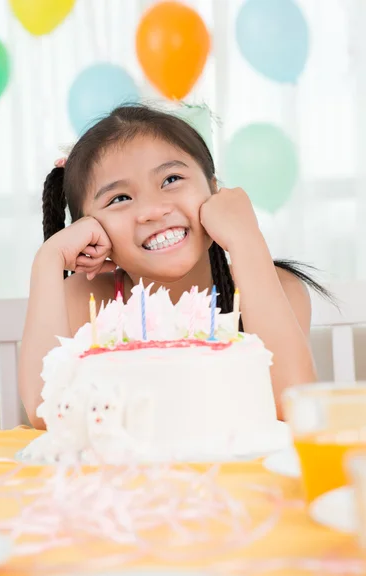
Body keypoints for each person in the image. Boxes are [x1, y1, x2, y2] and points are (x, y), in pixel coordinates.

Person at [20, 104, 327, 428]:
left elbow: (291, 404)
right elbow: (45, 410)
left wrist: (245, 239)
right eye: (120, 198)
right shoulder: (87, 299)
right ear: (90, 229)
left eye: (171, 179)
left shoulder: (277, 286)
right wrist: (48, 260)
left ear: (214, 189)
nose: (153, 210)